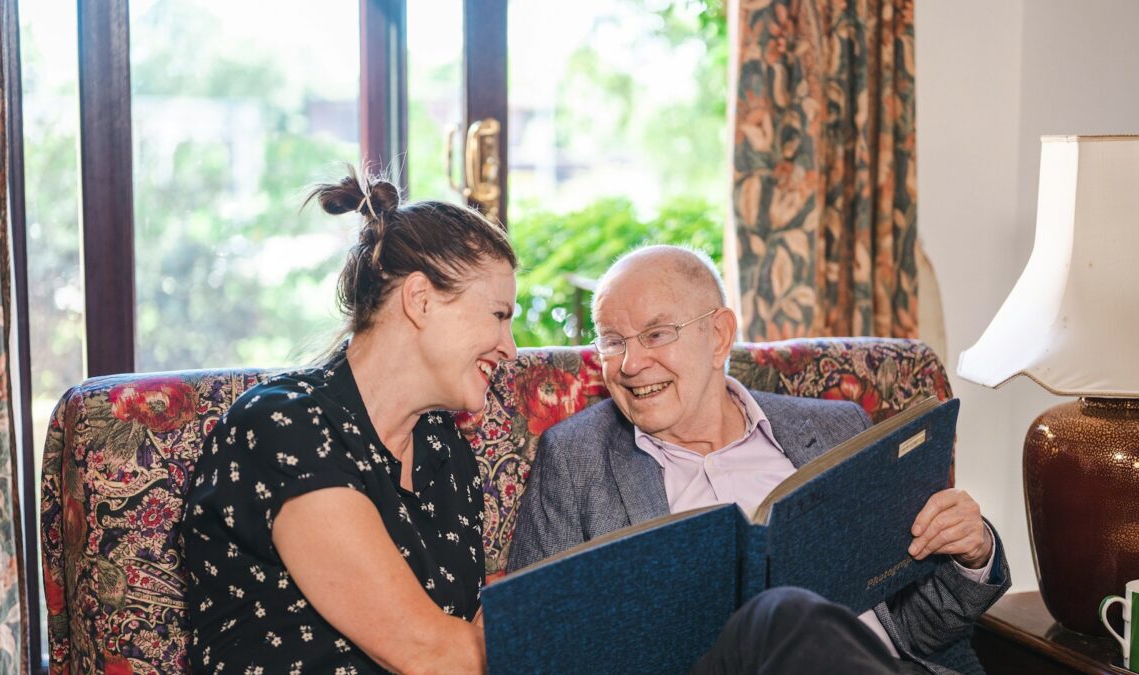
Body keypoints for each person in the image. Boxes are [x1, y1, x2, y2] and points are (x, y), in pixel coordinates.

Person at [507, 245, 1011, 675]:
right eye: (613, 342)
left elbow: (917, 629)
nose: (631, 364)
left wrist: (971, 555)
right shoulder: (577, 459)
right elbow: (530, 640)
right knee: (782, 612)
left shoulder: (836, 429)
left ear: (720, 336)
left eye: (657, 334)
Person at [183, 171, 517, 674]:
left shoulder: (445, 452)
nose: (510, 349)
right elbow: (431, 653)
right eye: (498, 315)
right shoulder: (283, 427)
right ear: (421, 300)